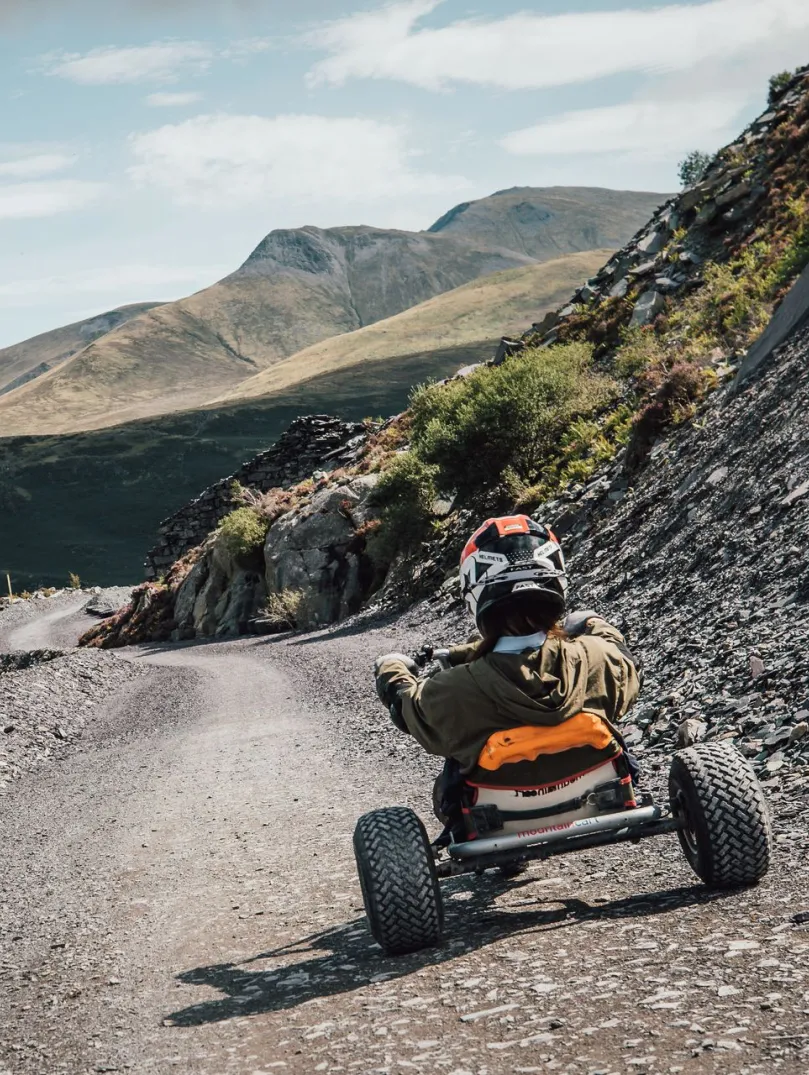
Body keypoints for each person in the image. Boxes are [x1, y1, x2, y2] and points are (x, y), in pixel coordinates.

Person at [373, 516, 641, 830]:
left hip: (499, 820)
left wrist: (391, 668)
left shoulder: (450, 690)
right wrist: (589, 622)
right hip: (601, 797)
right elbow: (622, 656)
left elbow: (406, 707)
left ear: (475, 592)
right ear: (556, 579)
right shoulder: (598, 656)